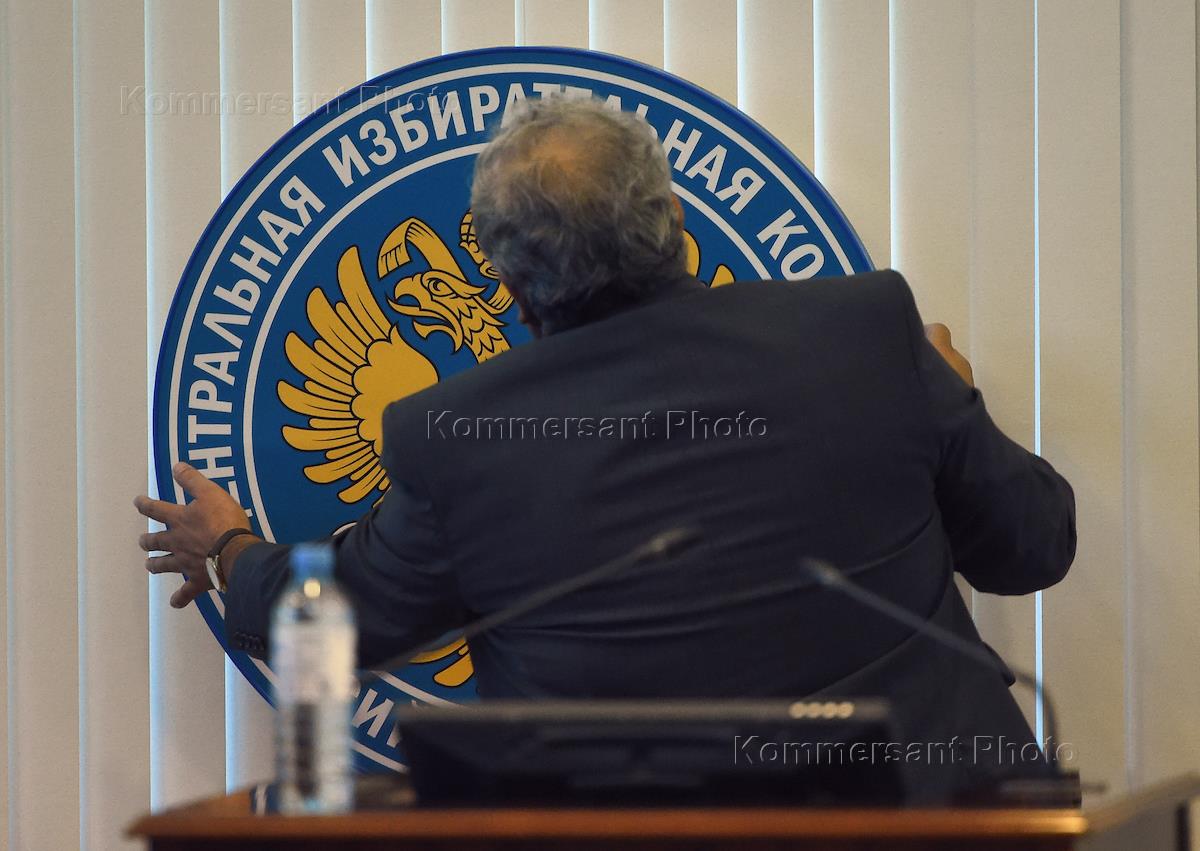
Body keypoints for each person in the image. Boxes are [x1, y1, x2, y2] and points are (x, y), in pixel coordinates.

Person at [136, 98, 1075, 796]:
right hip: (948, 820)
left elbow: (336, 620)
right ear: (675, 218)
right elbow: (1033, 544)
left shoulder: (456, 438)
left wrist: (229, 547)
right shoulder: (867, 331)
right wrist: (951, 395)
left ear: (508, 279)